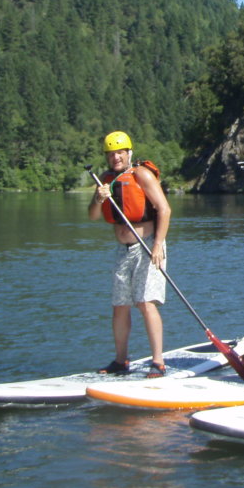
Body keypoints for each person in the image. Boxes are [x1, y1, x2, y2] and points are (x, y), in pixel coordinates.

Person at [88, 130, 172, 378]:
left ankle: (158, 362)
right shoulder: (105, 182)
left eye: (120, 152)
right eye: (111, 153)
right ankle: (121, 360)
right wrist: (97, 198)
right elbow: (93, 215)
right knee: (120, 306)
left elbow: (164, 210)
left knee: (145, 302)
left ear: (129, 153)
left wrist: (158, 245)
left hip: (147, 246)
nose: (116, 157)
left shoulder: (141, 174)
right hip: (122, 250)